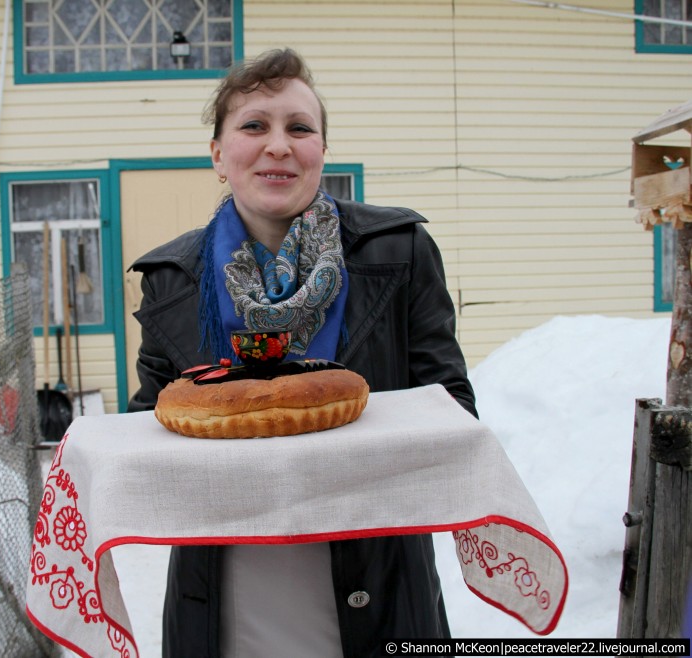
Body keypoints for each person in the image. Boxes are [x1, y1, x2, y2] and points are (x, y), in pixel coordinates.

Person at [127, 48, 475, 658]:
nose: (278, 145)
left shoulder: (397, 250)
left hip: (379, 582)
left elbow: (453, 411)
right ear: (218, 155)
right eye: (254, 125)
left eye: (300, 128)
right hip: (225, 593)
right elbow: (150, 434)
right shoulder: (172, 278)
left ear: (322, 150)